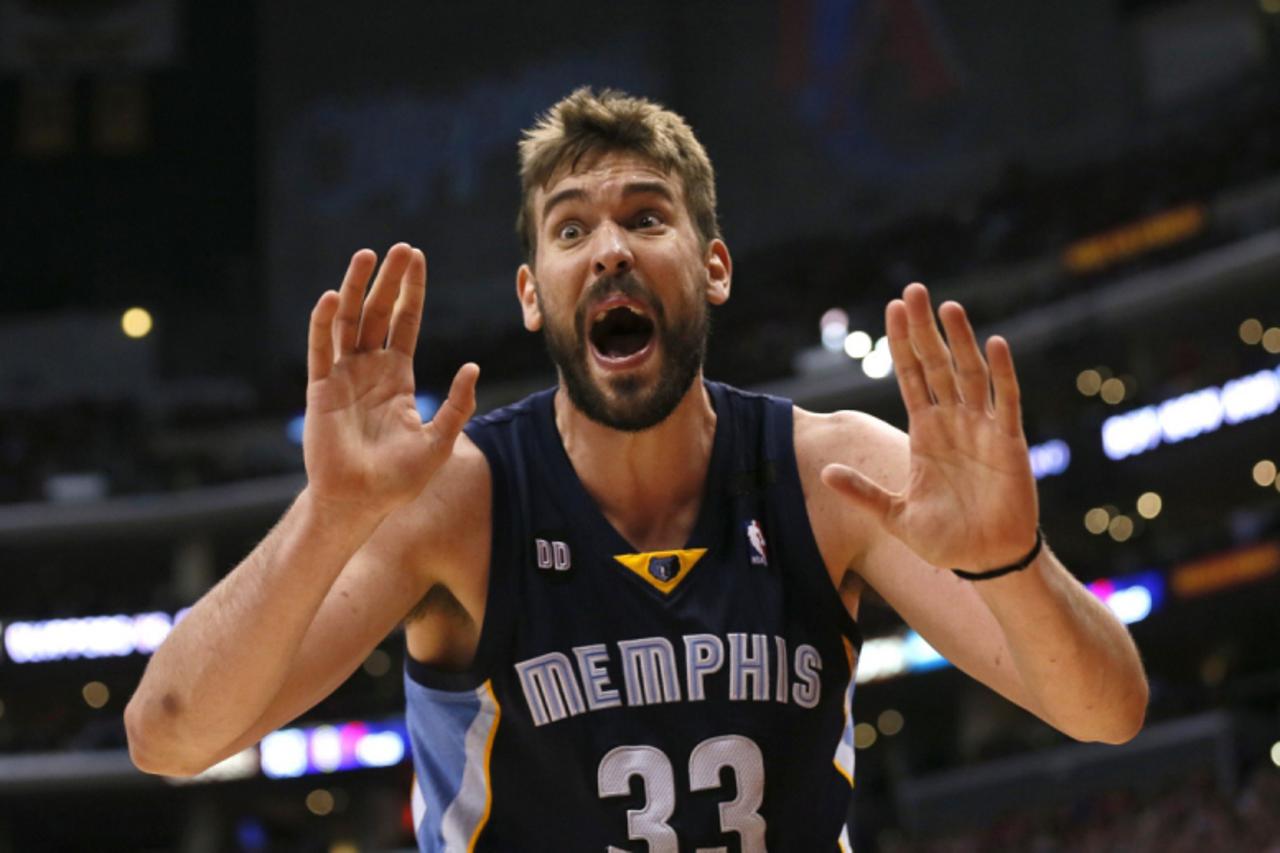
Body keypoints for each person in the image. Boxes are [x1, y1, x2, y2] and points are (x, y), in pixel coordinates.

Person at [125, 88, 1148, 851]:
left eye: (646, 216)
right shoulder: (457, 505)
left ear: (711, 266)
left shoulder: (833, 475)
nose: (609, 248)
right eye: (571, 228)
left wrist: (1010, 561)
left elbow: (1106, 712)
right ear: (533, 295)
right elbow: (169, 736)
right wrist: (331, 515)